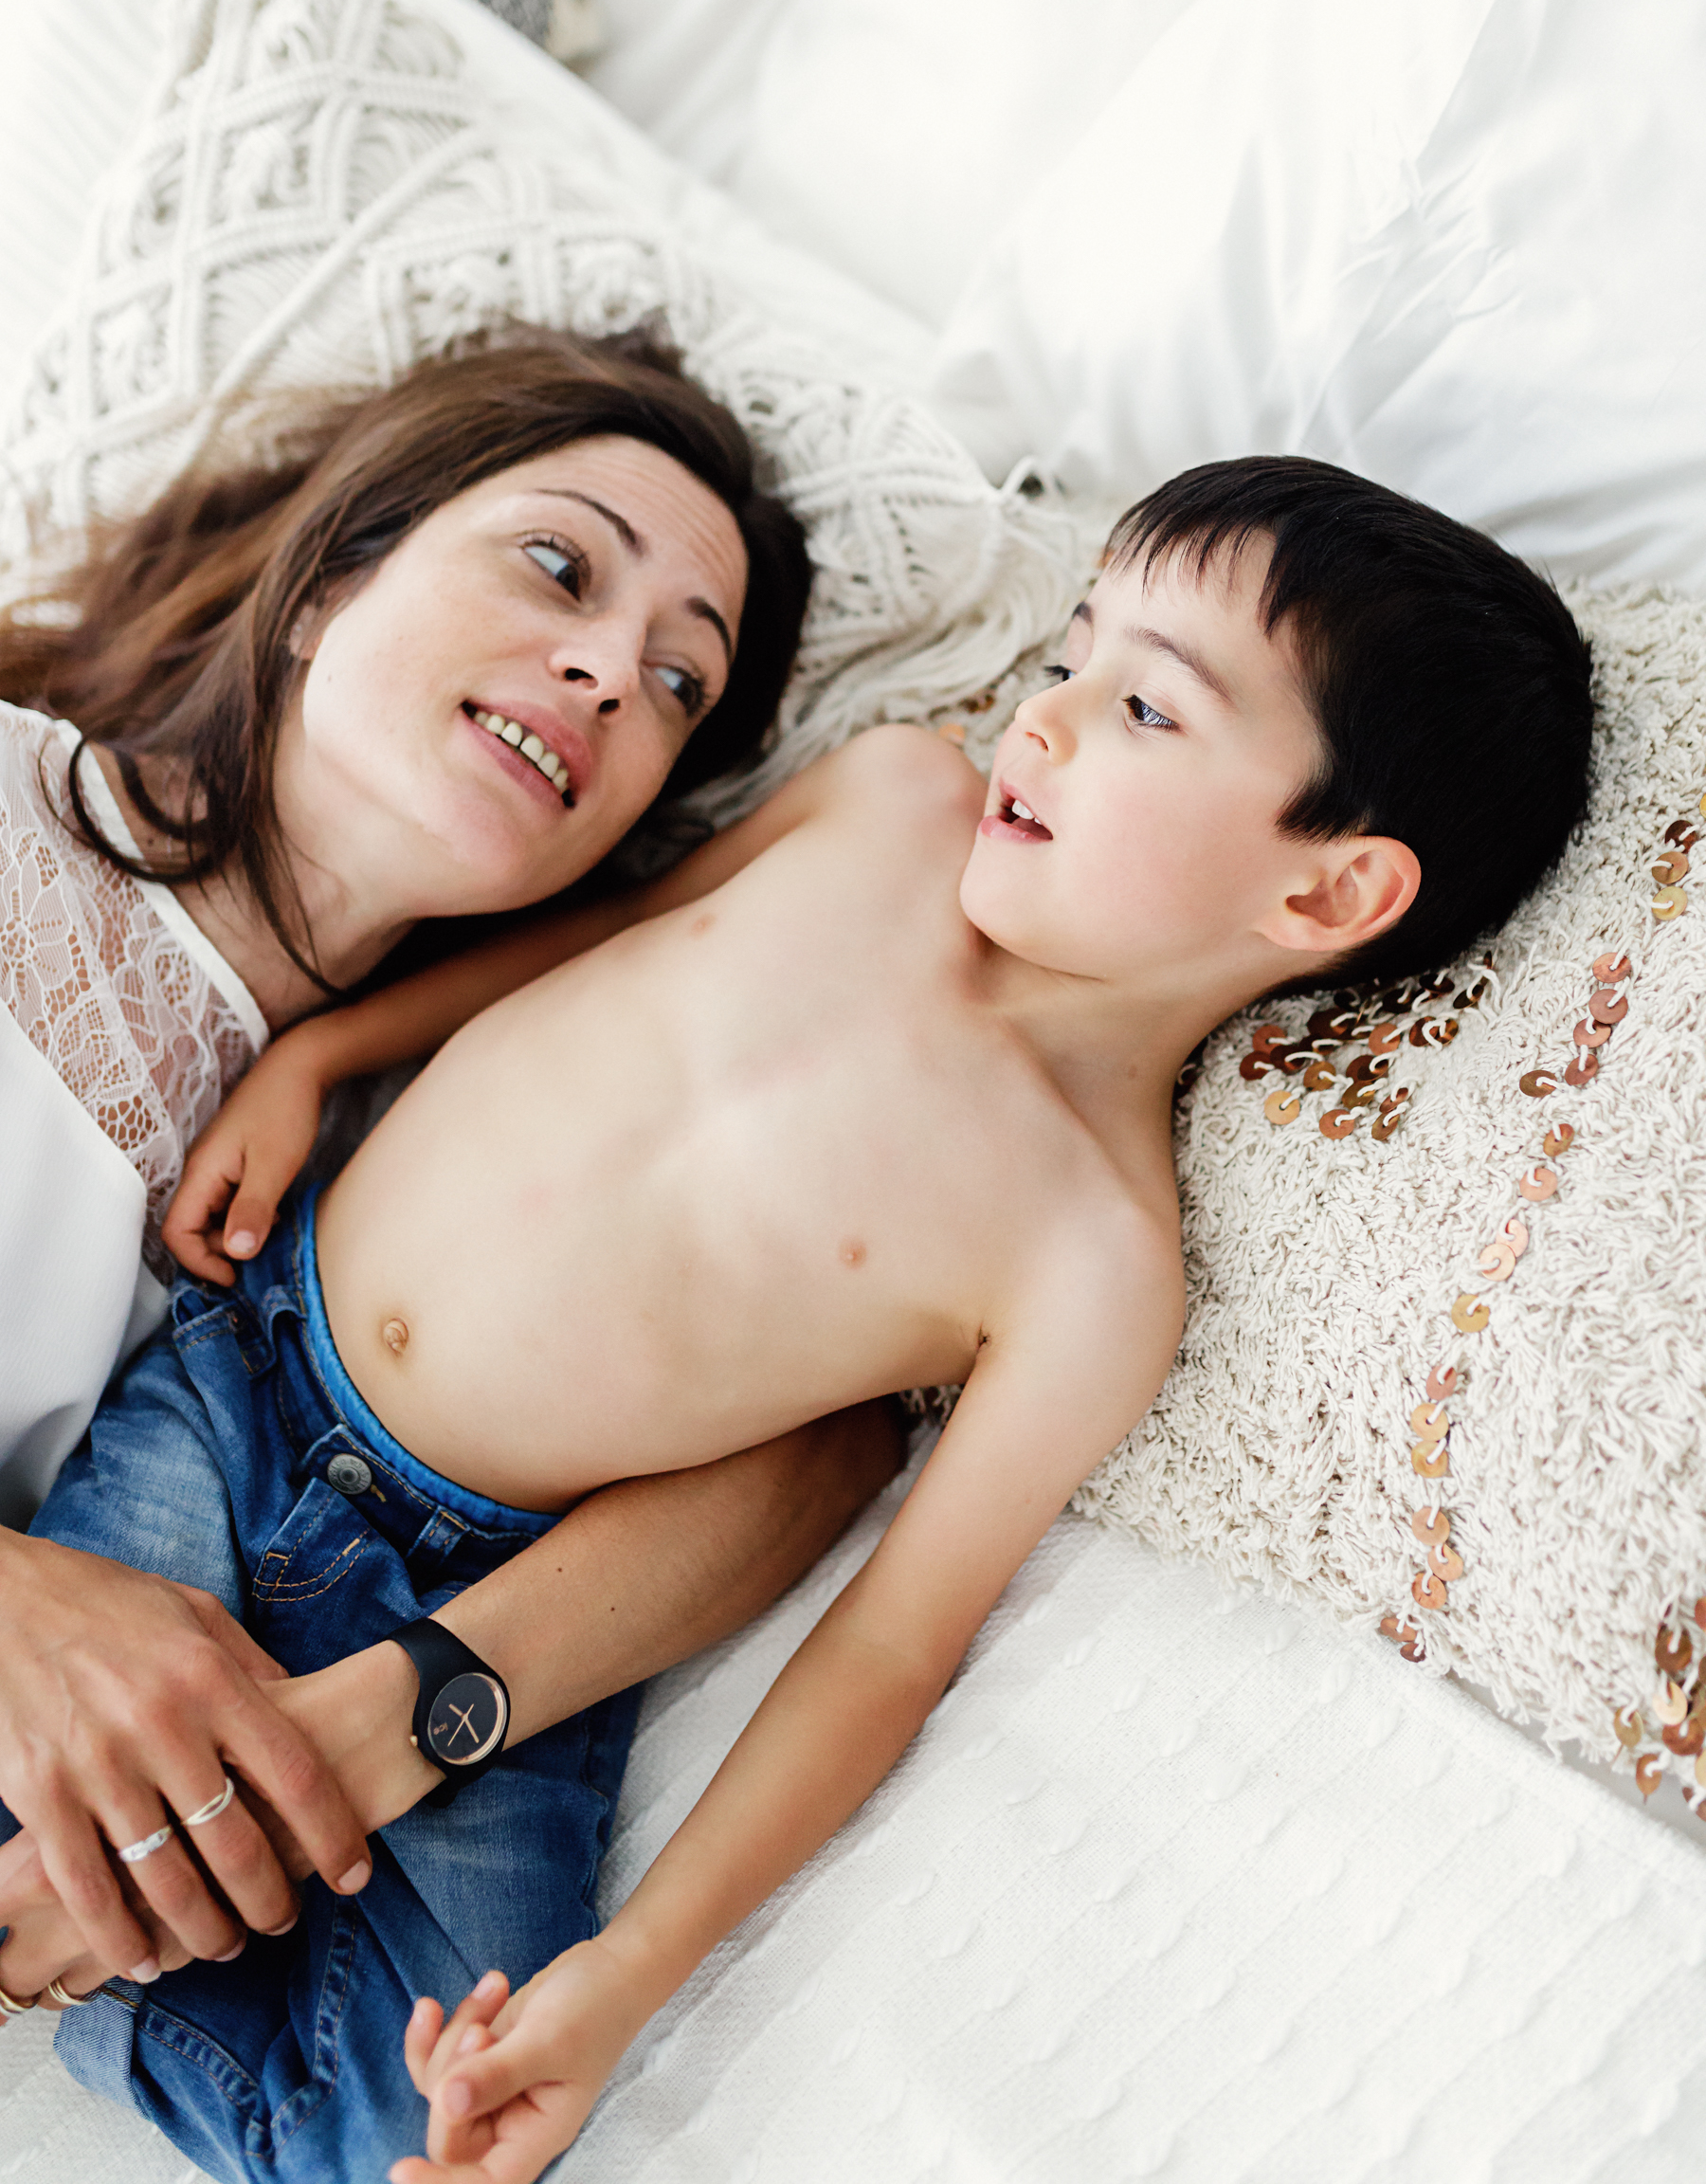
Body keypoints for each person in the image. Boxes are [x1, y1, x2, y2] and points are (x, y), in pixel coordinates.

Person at [3, 459, 1593, 2184]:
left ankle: (133, 1945)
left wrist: (632, 1973)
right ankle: (131, 1896)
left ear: (1329, 897)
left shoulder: (1094, 1260)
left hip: (507, 1586)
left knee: (405, 2113)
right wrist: (328, 1054)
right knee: (50, 1767)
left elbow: (890, 1648)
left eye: (1145, 707)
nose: (1043, 718)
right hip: (247, 1372)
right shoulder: (895, 798)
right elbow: (615, 930)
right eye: (1071, 654)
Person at [0, 323, 901, 2021]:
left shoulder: (455, 1132)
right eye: (559, 566)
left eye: (681, 684)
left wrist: (408, 1714)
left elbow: (824, 1438)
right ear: (335, 571)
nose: (614, 673)